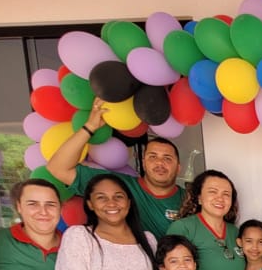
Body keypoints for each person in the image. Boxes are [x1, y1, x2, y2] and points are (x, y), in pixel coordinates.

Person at [46, 99, 184, 239]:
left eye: (167, 158)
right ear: (143, 163)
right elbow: (58, 168)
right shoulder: (117, 185)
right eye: (152, 157)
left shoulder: (190, 200)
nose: (159, 162)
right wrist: (90, 127)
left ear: (178, 167)